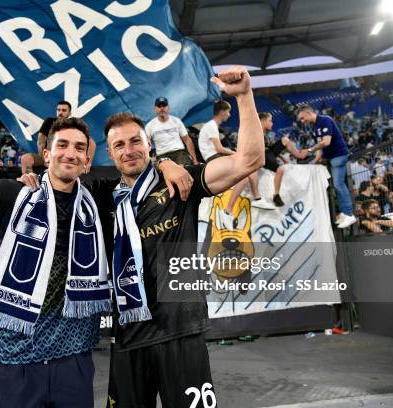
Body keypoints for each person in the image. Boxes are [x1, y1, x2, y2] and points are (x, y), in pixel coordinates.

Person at [0, 97, 189, 407]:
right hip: (17, 361)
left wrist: (165, 162)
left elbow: (136, 167)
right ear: (46, 154)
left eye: (79, 148)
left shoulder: (100, 199)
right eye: (62, 146)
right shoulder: (13, 193)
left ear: (88, 161)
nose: (70, 153)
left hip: (74, 361)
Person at [104, 66, 264, 407]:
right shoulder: (104, 197)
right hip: (128, 337)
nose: (128, 149)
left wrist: (244, 97)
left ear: (149, 144)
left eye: (135, 141)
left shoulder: (182, 183)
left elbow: (249, 161)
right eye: (119, 144)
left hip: (180, 332)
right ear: (110, 154)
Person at [199, 101, 274, 230]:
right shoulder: (211, 125)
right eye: (228, 112)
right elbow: (219, 148)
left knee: (248, 170)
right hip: (213, 158)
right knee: (245, 172)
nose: (229, 115)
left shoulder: (211, 126)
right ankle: (230, 210)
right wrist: (238, 153)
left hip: (214, 157)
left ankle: (255, 198)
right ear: (222, 112)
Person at [297, 105, 357, 228]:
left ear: (309, 113)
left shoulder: (325, 120)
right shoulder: (313, 127)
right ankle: (345, 213)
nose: (302, 121)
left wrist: (309, 150)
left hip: (339, 156)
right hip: (330, 158)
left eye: (303, 118)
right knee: (336, 186)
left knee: (338, 184)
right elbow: (320, 150)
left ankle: (349, 214)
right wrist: (312, 163)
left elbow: (326, 142)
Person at [20, 100, 96, 174]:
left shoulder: (73, 125)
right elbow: (40, 141)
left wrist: (88, 163)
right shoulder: (49, 121)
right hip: (48, 156)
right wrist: (45, 159)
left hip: (65, 156)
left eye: (64, 110)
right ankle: (29, 179)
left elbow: (92, 143)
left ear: (69, 113)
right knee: (26, 158)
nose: (60, 113)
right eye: (58, 110)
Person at [258, 112, 309, 207]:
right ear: (263, 121)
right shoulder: (256, 132)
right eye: (270, 121)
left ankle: (299, 155)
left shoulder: (265, 134)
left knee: (285, 140)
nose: (272, 123)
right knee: (280, 170)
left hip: (268, 152)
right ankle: (276, 195)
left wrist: (283, 158)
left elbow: (269, 147)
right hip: (262, 155)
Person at [146, 97, 199, 166]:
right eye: (159, 106)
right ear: (155, 109)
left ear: (168, 108)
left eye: (164, 106)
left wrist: (194, 159)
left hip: (179, 153)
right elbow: (146, 143)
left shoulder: (176, 121)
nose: (162, 108)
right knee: (168, 172)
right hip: (162, 155)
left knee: (182, 168)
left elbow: (187, 140)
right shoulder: (150, 125)